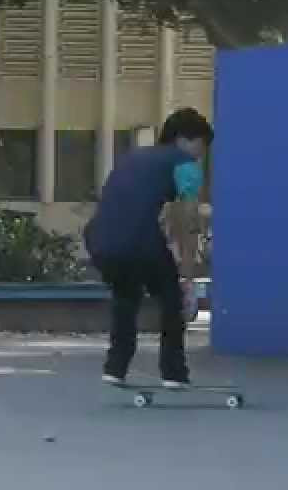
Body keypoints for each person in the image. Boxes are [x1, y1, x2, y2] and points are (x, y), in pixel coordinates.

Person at [83, 107, 213, 389]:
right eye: (201, 147)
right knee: (171, 298)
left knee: (126, 295)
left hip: (101, 241)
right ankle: (174, 373)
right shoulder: (185, 164)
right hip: (138, 241)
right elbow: (187, 223)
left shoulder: (132, 158)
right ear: (185, 139)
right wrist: (187, 279)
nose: (200, 156)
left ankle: (115, 368)